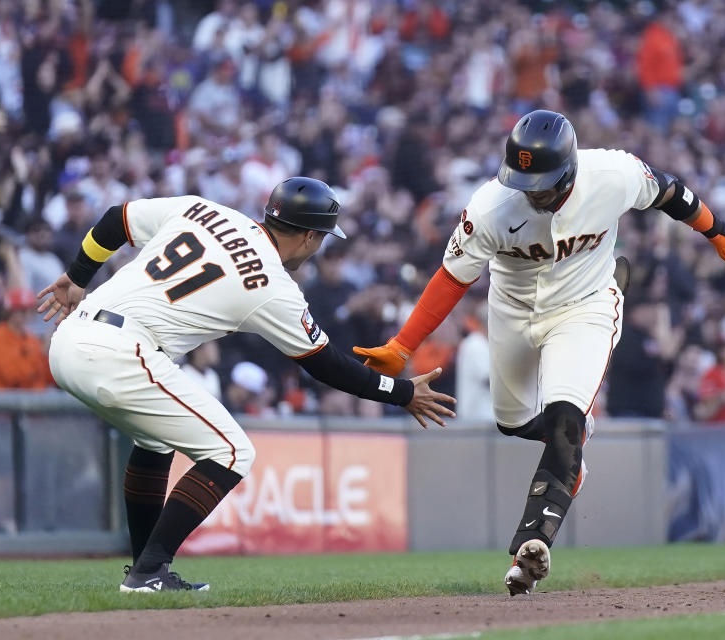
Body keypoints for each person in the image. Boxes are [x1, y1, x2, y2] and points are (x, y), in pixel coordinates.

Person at [354, 110, 725, 595]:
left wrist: (715, 230)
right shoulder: (490, 207)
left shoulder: (613, 173)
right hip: (512, 309)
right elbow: (452, 278)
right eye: (524, 180)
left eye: (542, 181)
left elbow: (670, 191)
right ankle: (570, 460)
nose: (533, 191)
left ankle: (532, 545)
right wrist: (402, 346)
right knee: (513, 423)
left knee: (565, 418)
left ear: (569, 169)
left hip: (585, 307)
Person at [38, 176, 455, 592]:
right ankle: (149, 571)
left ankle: (146, 572)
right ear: (311, 237)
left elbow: (116, 220)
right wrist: (401, 393)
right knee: (233, 452)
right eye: (323, 238)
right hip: (120, 352)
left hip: (69, 339)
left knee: (156, 442)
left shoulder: (205, 210)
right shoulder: (273, 285)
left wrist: (77, 276)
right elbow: (326, 365)